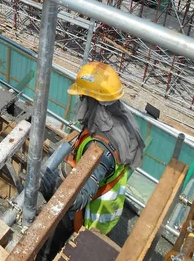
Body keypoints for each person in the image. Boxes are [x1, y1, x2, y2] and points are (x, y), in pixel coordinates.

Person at [39, 62, 145, 259]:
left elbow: (79, 199)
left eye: (82, 97)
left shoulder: (101, 148)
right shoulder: (123, 122)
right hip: (108, 212)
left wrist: (53, 184)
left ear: (93, 100)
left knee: (49, 246)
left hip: (90, 223)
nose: (80, 102)